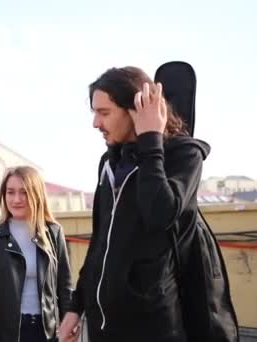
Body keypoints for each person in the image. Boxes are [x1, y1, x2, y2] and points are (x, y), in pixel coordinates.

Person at [59, 66, 211, 341]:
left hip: (153, 328)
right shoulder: (109, 164)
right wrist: (76, 306)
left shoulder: (185, 156)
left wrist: (150, 140)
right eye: (94, 112)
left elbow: (159, 214)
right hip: (103, 328)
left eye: (104, 113)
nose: (95, 123)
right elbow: (100, 244)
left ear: (136, 110)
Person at [0, 166, 72, 342]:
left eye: (24, 192)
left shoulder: (53, 233)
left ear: (36, 194)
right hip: (6, 335)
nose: (16, 199)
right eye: (10, 192)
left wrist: (69, 326)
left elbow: (65, 287)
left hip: (47, 333)